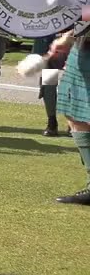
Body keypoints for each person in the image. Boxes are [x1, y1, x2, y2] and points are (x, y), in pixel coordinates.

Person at [50, 23, 90, 205]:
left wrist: (67, 37)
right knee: (65, 102)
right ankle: (50, 122)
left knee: (78, 113)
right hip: (70, 48)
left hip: (81, 45)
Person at [33, 34, 64, 136]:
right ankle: (52, 122)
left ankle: (75, 123)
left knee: (75, 88)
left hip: (76, 45)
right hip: (49, 47)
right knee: (48, 89)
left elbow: (85, 20)